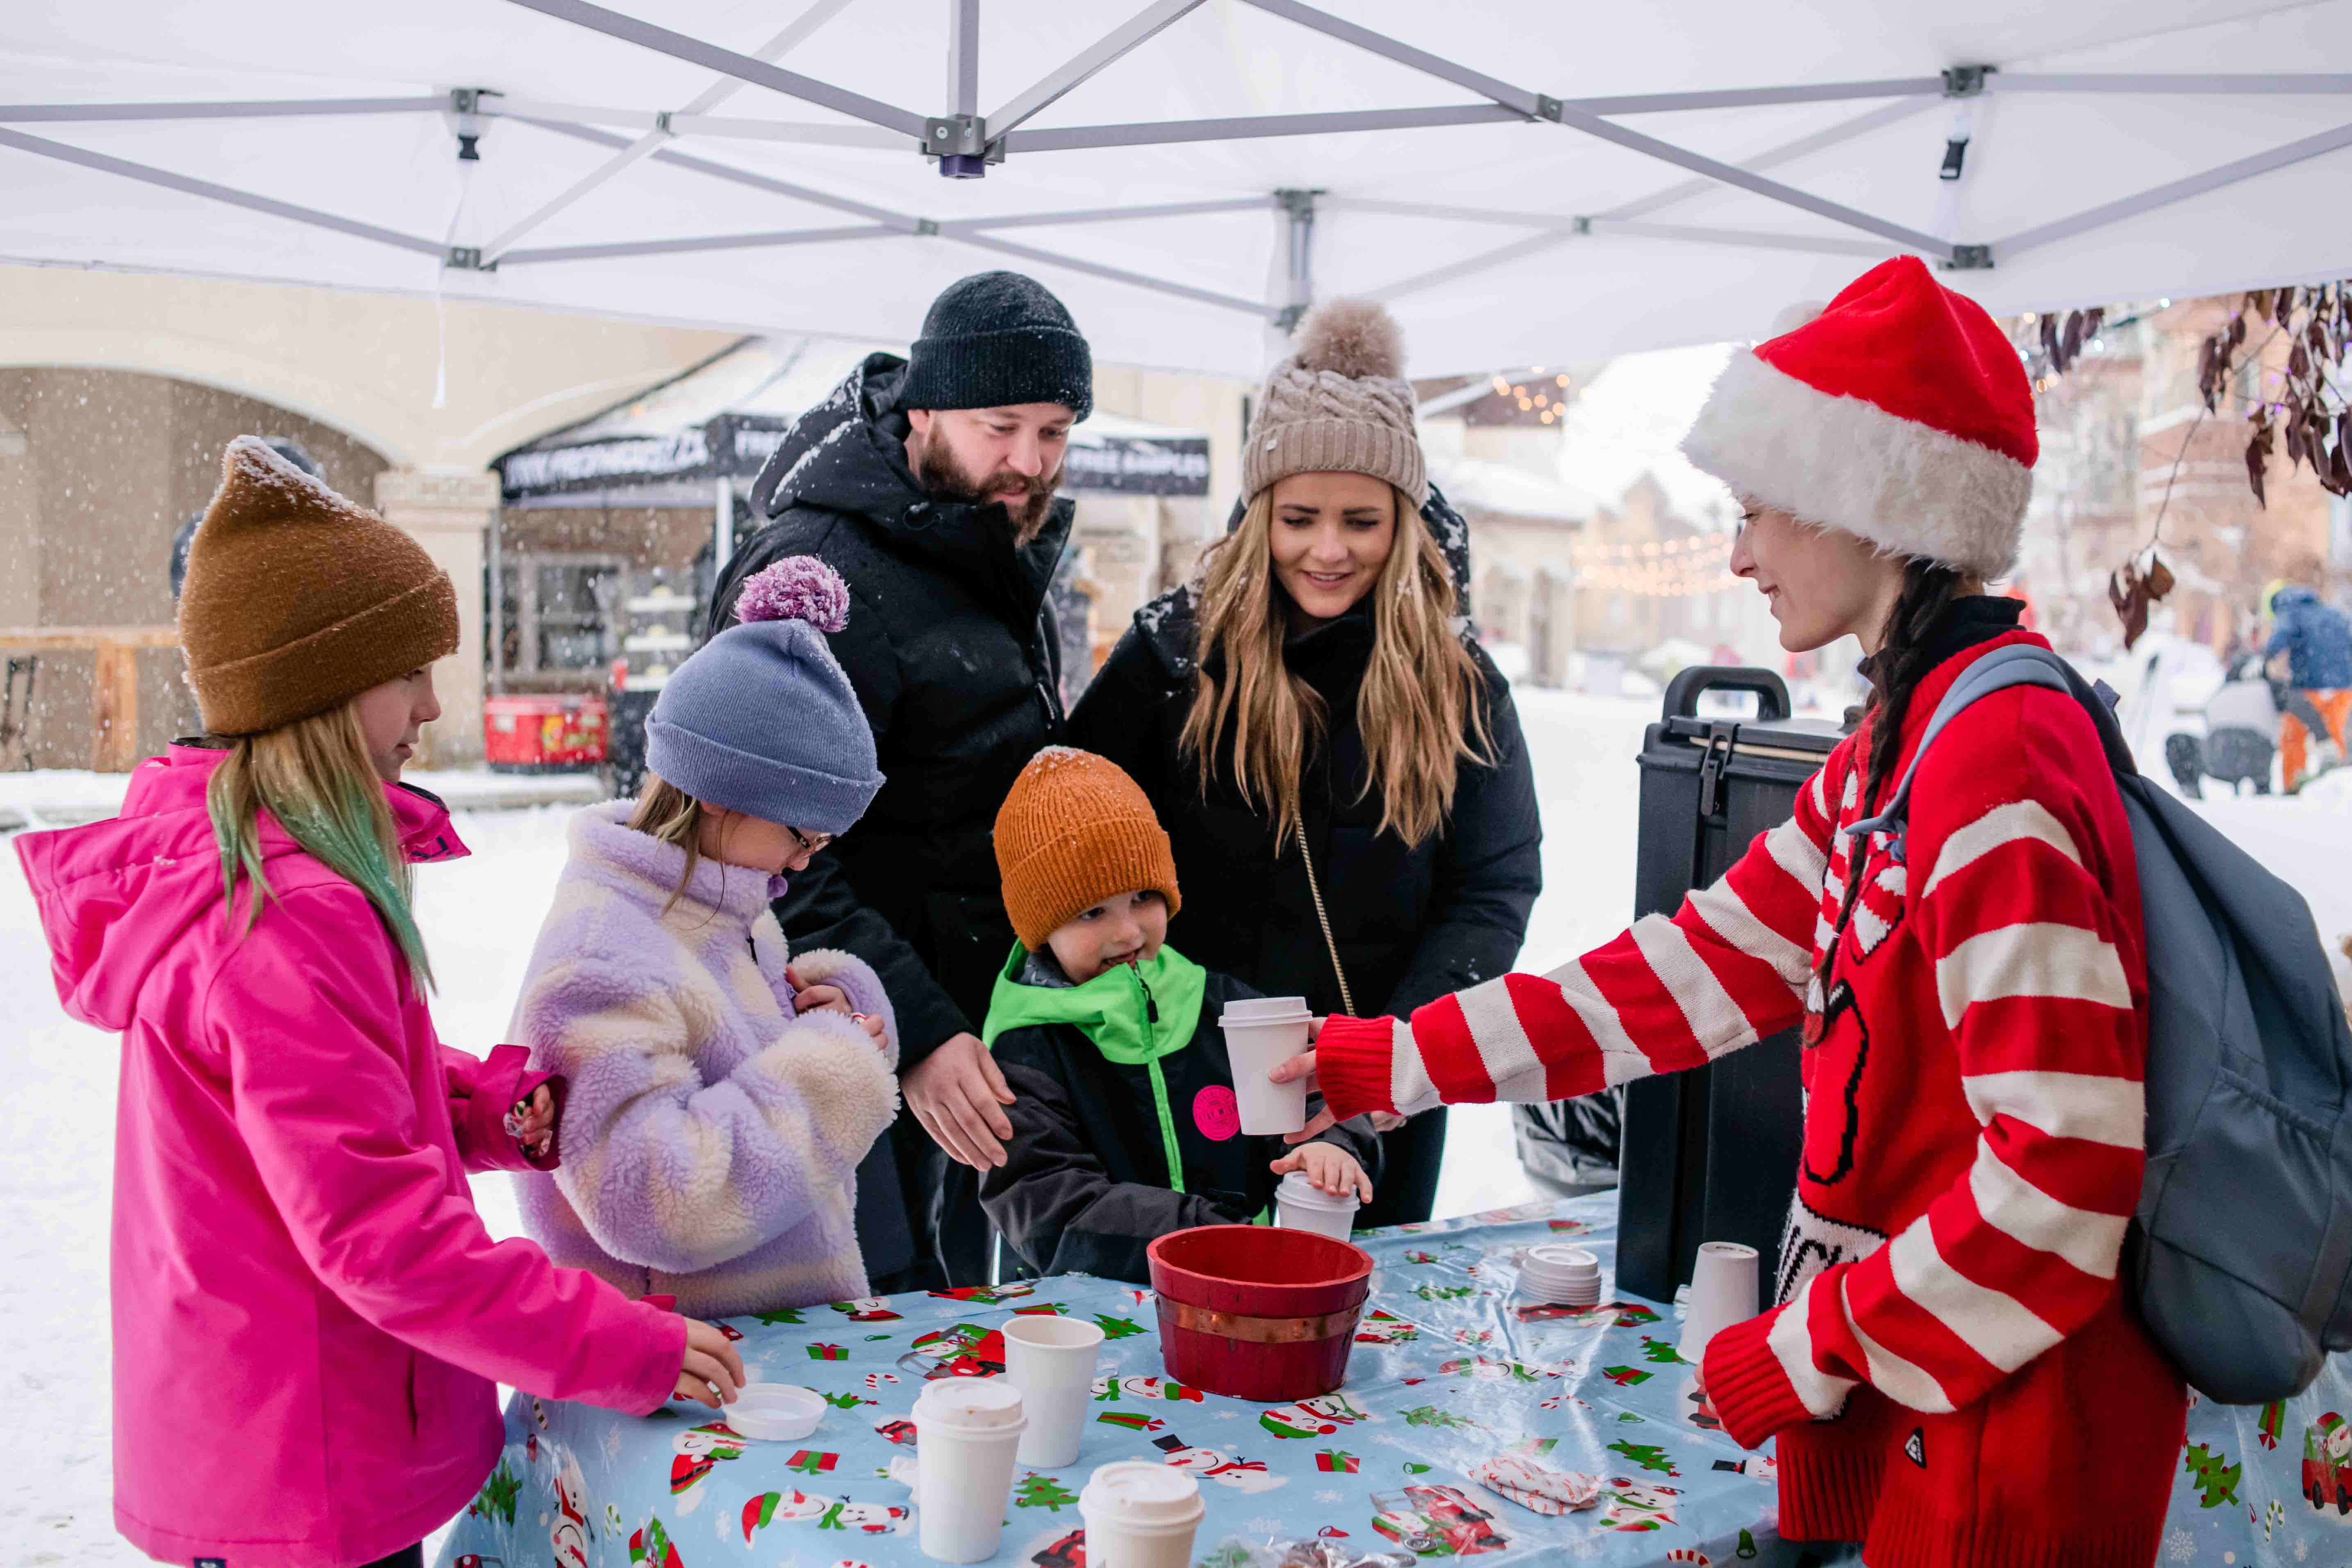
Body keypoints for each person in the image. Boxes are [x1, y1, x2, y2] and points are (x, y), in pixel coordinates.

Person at [1278, 259, 2185, 1568]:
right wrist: (1385, 1060)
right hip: (1931, 1423)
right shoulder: (1897, 745)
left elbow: (2062, 1171)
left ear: (1872, 508)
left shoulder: (1997, 758)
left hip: (2007, 1461)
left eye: (1759, 510)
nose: (1738, 553)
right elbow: (1682, 976)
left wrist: (1809, 1344)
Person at [14, 438, 743, 1568]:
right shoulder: (289, 912)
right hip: (305, 1469)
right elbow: (383, 1241)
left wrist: (472, 1105)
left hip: (251, 1431)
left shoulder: (237, 869)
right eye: (408, 673)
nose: (433, 705)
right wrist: (617, 1343)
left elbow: (303, 1097)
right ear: (316, 684)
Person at [1068, 298, 1541, 1229]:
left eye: (1360, 520)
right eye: (1298, 518)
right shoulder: (1173, 655)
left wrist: (1383, 1065)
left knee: (1353, 1336)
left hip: (1377, 1100)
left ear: (1402, 520)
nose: (1328, 550)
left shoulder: (1456, 682)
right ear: (1257, 516)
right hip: (1176, 1079)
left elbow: (1491, 890)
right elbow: (1070, 837)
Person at [707, 271, 1092, 1287]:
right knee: (873, 1337)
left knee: (960, 1328)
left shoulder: (979, 542)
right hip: (846, 1044)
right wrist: (915, 1030)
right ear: (922, 406)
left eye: (1052, 432)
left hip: (968, 1032)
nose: (1028, 460)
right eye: (999, 425)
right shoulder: (822, 567)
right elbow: (756, 846)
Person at [511, 556, 904, 1317]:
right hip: (676, 1375)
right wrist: (829, 1070)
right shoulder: (603, 953)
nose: (801, 861)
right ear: (720, 795)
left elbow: (728, 1063)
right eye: (802, 836)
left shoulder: (721, 906)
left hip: (754, 1351)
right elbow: (657, 1199)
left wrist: (834, 1014)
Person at [977, 747, 1378, 1281]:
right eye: (1091, 911)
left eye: (1142, 897)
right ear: (1040, 926)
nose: (1127, 932)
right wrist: (1207, 1236)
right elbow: (1049, 1207)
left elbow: (1318, 1088)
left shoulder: (1223, 1006)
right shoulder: (1021, 1050)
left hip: (1242, 1292)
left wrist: (1329, 1145)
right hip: (1083, 1321)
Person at [2262, 562, 2352, 791]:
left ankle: (2293, 785)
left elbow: (2280, 637)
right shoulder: (2331, 611)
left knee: (2295, 735)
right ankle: (2335, 787)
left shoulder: (2288, 609)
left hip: (2310, 685)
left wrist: (2268, 655)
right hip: (2343, 686)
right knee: (2333, 736)